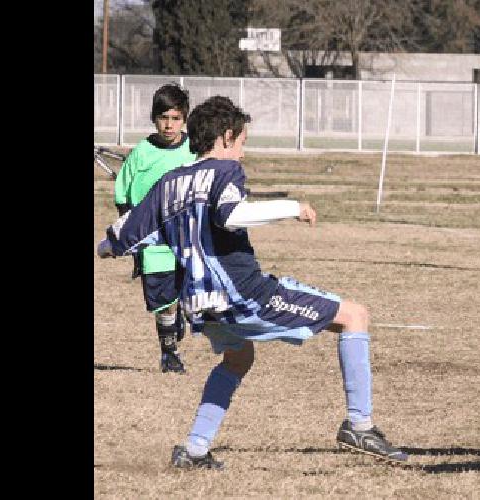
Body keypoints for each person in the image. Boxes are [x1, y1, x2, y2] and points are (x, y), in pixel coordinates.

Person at [97, 96, 408, 469]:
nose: (243, 152)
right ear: (227, 137)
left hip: (198, 305)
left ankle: (195, 450)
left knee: (238, 358)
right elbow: (232, 215)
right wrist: (292, 207)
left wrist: (106, 246)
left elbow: (118, 239)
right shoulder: (225, 172)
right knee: (355, 316)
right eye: (242, 142)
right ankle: (361, 425)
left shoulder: (168, 182)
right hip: (242, 295)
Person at [113, 83, 199, 374]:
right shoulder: (141, 153)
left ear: (184, 118)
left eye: (175, 118)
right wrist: (129, 231)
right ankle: (169, 353)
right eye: (164, 118)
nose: (169, 125)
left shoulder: (194, 150)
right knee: (163, 300)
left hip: (188, 237)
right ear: (154, 118)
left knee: (188, 289)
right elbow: (122, 195)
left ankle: (182, 313)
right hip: (152, 241)